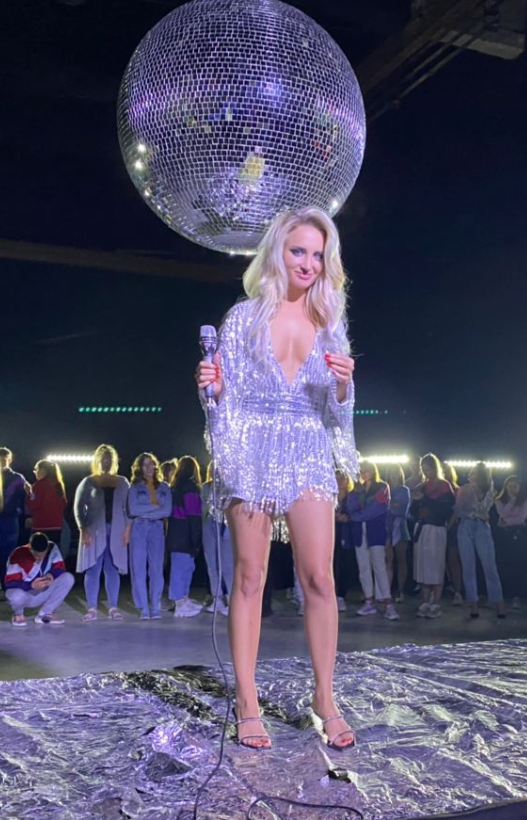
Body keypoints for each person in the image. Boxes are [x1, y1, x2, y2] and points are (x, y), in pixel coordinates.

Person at [195, 207, 358, 750]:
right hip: (252, 448)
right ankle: (247, 702)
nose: (308, 263)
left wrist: (343, 386)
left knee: (320, 579)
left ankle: (324, 698)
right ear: (276, 253)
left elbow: (337, 411)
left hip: (308, 448)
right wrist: (212, 387)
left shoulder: (330, 321)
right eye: (298, 251)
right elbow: (225, 400)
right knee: (250, 576)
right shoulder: (242, 318)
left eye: (318, 254)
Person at [74, 444, 131, 622]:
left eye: (109, 459)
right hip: (94, 531)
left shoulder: (122, 482)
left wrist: (128, 529)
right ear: (97, 461)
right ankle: (92, 608)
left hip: (116, 531)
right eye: (103, 459)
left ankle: (113, 607)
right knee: (93, 569)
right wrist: (83, 529)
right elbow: (78, 507)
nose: (106, 462)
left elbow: (129, 508)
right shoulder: (89, 481)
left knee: (112, 569)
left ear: (114, 461)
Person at [345, 461, 398, 620]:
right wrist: (354, 493)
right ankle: (369, 602)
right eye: (361, 470)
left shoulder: (382, 487)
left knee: (379, 567)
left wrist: (353, 517)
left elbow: (376, 509)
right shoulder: (357, 490)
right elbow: (350, 507)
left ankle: (388, 603)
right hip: (359, 533)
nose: (364, 473)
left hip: (375, 532)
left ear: (373, 471)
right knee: (363, 568)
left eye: (367, 470)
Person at [456, 462, 505, 619]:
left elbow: (487, 508)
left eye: (475, 474)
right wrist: (471, 513)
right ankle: (473, 604)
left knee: (489, 565)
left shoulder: (490, 490)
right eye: (471, 473)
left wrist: (478, 511)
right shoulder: (464, 490)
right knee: (468, 567)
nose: (471, 476)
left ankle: (498, 603)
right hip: (466, 526)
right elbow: (458, 510)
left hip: (482, 527)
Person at [409, 453, 455, 618]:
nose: (426, 472)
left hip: (436, 529)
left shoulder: (444, 486)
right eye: (423, 469)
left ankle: (436, 602)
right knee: (422, 565)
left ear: (435, 468)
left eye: (428, 468)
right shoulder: (421, 486)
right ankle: (425, 601)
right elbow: (413, 511)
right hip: (422, 528)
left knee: (436, 565)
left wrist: (426, 500)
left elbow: (446, 510)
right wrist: (416, 501)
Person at [128, 452, 172, 619]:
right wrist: (156, 508)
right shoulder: (134, 487)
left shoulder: (164, 487)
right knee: (138, 568)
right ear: (140, 467)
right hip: (139, 527)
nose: (149, 467)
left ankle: (155, 606)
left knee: (156, 569)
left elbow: (167, 510)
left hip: (157, 528)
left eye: (151, 463)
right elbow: (133, 510)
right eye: (145, 464)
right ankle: (143, 608)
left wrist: (146, 510)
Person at [5, 532, 74, 626]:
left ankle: (45, 614)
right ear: (30, 548)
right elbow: (10, 583)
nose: (40, 558)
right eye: (36, 555)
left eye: (43, 555)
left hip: (42, 592)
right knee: (16, 595)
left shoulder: (52, 548)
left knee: (68, 578)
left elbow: (60, 568)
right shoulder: (18, 554)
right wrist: (31, 585)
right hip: (25, 595)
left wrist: (51, 575)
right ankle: (18, 614)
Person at [166, 456, 204, 617]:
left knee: (183, 567)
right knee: (181, 568)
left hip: (176, 532)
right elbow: (193, 513)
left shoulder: (175, 486)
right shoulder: (189, 487)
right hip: (185, 534)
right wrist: (196, 538)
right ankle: (180, 603)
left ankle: (183, 599)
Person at [202, 461, 234, 616]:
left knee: (227, 564)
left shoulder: (231, 487)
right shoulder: (206, 487)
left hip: (226, 524)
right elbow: (203, 507)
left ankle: (232, 600)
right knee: (212, 563)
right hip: (210, 523)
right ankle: (217, 598)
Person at [495, 475, 527, 610]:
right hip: (503, 536)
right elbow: (502, 513)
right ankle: (501, 595)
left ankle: (516, 596)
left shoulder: (524, 501)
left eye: (515, 486)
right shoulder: (499, 500)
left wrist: (506, 521)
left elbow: (522, 518)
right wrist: (512, 501)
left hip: (517, 535)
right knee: (503, 564)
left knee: (516, 565)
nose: (513, 488)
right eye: (510, 485)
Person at [0, 447, 29, 594]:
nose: (1, 462)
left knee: (8, 554)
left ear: (9, 460)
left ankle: (7, 587)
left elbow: (25, 499)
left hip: (9, 520)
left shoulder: (18, 478)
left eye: (3, 460)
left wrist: (29, 516)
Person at [25, 459, 67, 545]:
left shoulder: (39, 485)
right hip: (56, 526)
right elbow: (63, 503)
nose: (35, 473)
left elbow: (34, 504)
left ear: (43, 470)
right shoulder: (58, 485)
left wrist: (29, 493)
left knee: (38, 550)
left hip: (41, 526)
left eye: (36, 470)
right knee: (52, 550)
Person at [385, 464, 410, 604]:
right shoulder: (385, 488)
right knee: (388, 559)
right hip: (386, 526)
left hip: (400, 527)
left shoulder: (404, 490)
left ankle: (400, 590)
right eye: (391, 472)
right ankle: (387, 590)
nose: (393, 475)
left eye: (396, 472)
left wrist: (392, 506)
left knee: (401, 559)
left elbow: (403, 509)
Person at [333, 470, 356, 612]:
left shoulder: (352, 497)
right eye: (337, 478)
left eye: (342, 478)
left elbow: (355, 512)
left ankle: (341, 595)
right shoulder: (330, 497)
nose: (340, 481)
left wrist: (347, 517)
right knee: (332, 564)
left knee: (345, 564)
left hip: (347, 534)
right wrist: (335, 516)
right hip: (332, 532)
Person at [442, 462, 464, 606]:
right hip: (437, 526)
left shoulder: (457, 490)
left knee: (453, 560)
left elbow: (456, 511)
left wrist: (448, 525)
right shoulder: (434, 489)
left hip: (452, 527)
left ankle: (458, 592)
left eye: (446, 470)